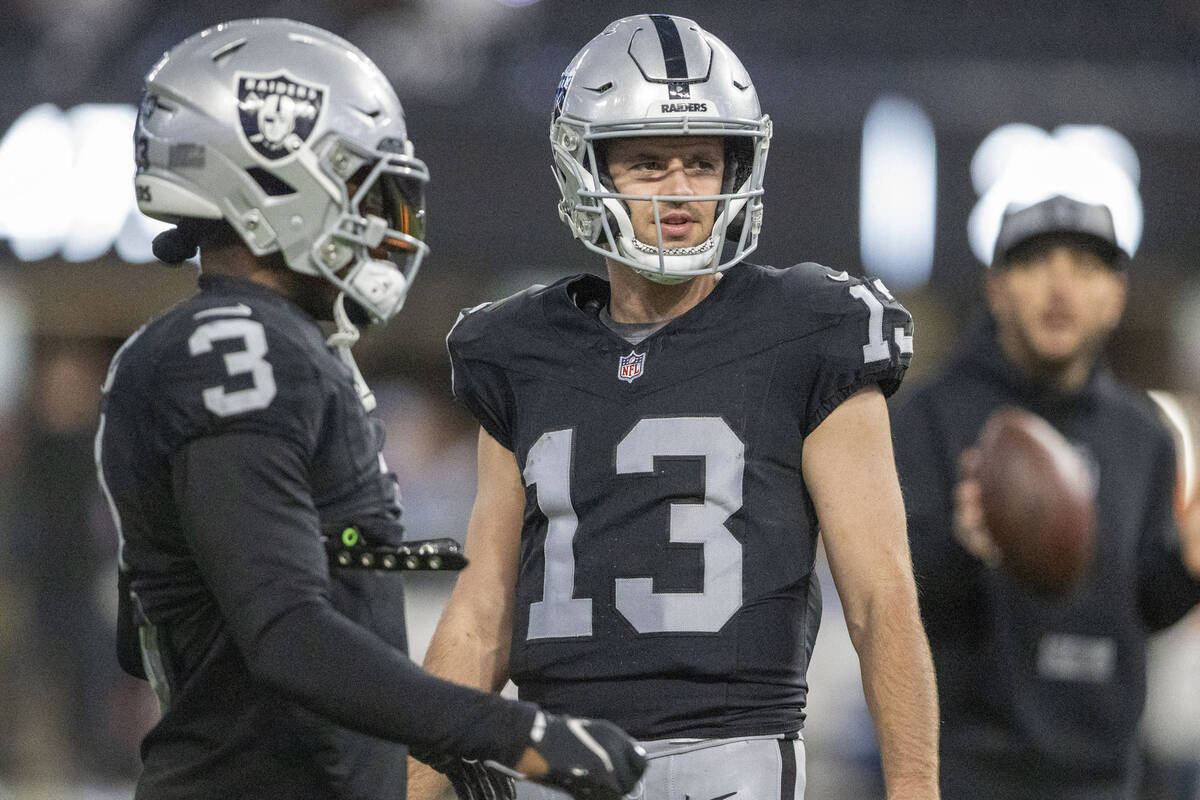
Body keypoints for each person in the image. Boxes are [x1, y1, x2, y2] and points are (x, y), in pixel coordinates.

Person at [95, 18, 646, 800]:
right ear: (274, 179)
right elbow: (286, 634)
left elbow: (156, 627)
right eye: (361, 183)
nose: (386, 221)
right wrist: (513, 733)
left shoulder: (255, 347)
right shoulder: (236, 347)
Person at [409, 14, 939, 800]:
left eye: (702, 160)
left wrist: (916, 788)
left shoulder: (810, 328)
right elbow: (484, 609)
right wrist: (419, 788)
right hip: (554, 754)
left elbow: (880, 595)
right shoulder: (516, 348)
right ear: (585, 168)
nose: (683, 191)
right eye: (649, 163)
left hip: (732, 752)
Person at [891, 192, 1200, 799]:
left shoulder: (1143, 435)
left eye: (1085, 269)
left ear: (1116, 298)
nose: (1060, 289)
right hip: (967, 772)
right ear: (996, 288)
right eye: (1035, 265)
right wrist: (966, 548)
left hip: (1104, 775)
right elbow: (892, 600)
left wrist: (1188, 569)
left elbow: (1138, 605)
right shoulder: (931, 417)